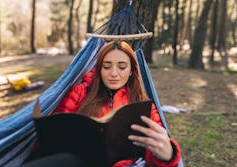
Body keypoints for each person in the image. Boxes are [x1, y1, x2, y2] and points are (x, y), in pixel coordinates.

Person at [53, 41, 181, 167]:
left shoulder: (143, 104)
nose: (113, 73)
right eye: (107, 66)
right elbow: (54, 133)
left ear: (131, 70)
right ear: (99, 69)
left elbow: (152, 154)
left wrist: (167, 155)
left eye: (122, 67)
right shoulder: (79, 93)